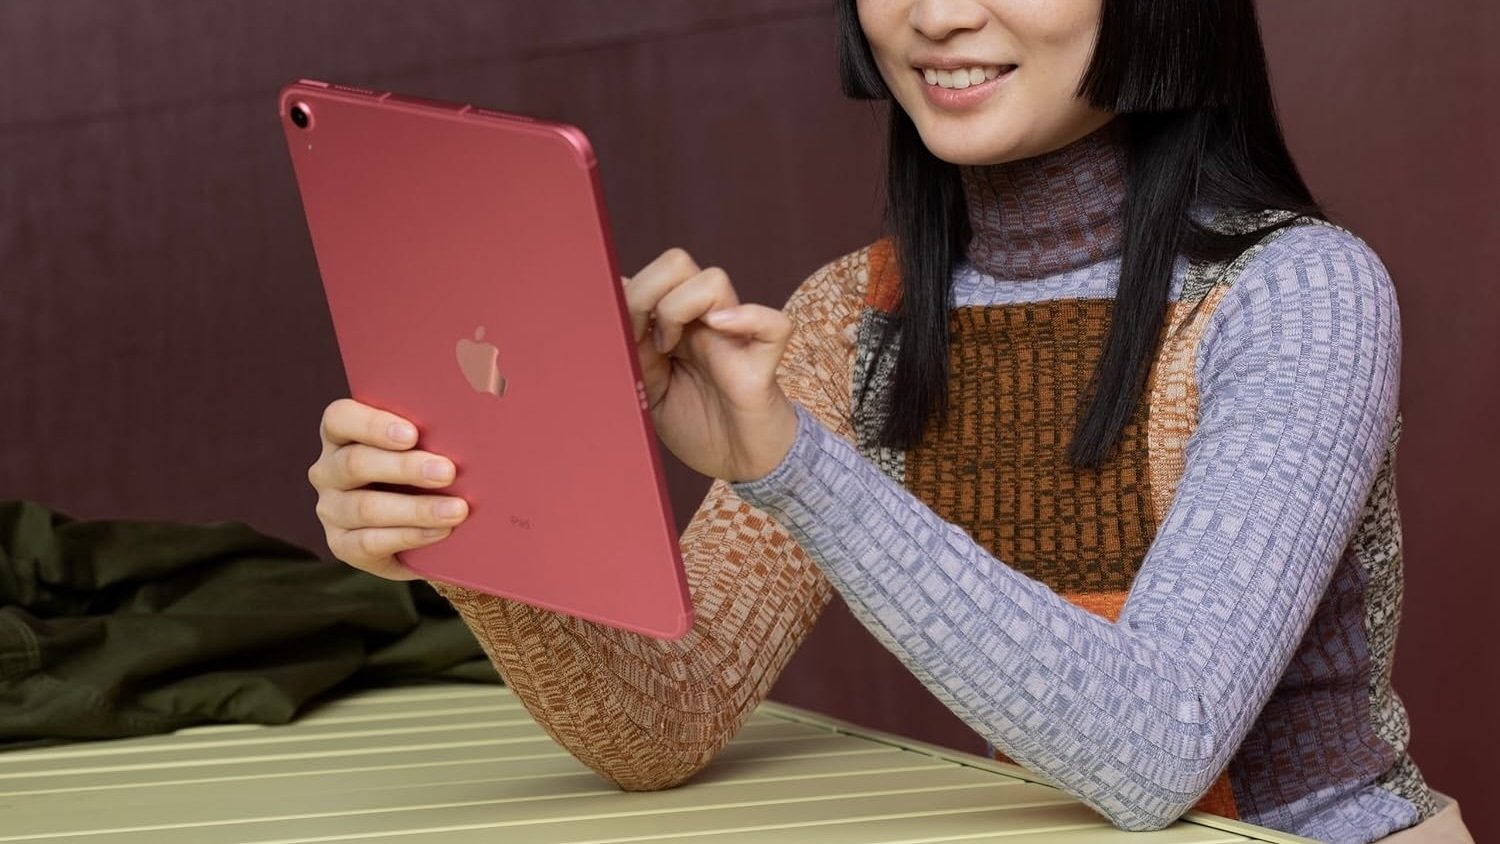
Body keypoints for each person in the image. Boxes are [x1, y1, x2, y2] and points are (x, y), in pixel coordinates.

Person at [304, 1, 1475, 842]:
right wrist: (468, 515)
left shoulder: (1298, 294)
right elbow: (662, 722)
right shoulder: (853, 319)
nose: (939, 14)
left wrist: (794, 467)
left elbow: (1155, 746)